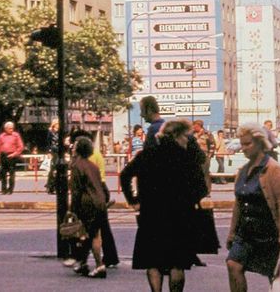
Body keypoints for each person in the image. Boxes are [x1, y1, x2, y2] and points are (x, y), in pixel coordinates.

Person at [120, 119, 208, 292]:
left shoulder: (147, 154)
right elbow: (201, 188)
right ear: (178, 135)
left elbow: (125, 175)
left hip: (150, 213)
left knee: (153, 261)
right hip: (180, 215)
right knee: (177, 263)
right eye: (186, 136)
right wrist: (190, 200)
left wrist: (133, 200)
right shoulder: (186, 158)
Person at [226, 123, 280, 291]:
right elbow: (238, 204)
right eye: (241, 144)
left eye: (247, 144)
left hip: (270, 232)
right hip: (246, 232)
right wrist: (232, 232)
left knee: (276, 278)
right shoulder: (243, 170)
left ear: (259, 143)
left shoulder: (274, 170)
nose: (243, 148)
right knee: (233, 264)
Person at [70, 136, 108, 279]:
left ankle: (99, 265)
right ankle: (83, 263)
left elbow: (76, 190)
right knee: (93, 233)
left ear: (79, 149)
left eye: (75, 146)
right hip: (100, 202)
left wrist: (72, 209)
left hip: (87, 203)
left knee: (86, 235)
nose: (73, 148)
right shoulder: (93, 166)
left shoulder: (77, 166)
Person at [0, 121, 24, 195]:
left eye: (12, 128)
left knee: (12, 174)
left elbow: (21, 147)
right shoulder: (1, 136)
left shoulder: (16, 135)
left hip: (12, 156)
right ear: (5, 129)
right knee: (3, 174)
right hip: (3, 156)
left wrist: (14, 154)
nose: (11, 130)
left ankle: (10, 190)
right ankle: (3, 190)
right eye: (10, 128)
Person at [193, 120, 215, 193]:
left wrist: (210, 155)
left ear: (199, 126)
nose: (193, 127)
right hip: (195, 157)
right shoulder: (193, 134)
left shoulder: (207, 134)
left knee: (205, 174)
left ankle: (207, 191)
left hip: (205, 156)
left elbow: (212, 144)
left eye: (195, 126)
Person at [46, 119, 59, 194]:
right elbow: (48, 143)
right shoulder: (50, 132)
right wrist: (48, 152)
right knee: (53, 170)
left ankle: (56, 187)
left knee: (58, 170)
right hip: (53, 152)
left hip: (59, 152)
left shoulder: (60, 132)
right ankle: (50, 186)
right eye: (57, 124)